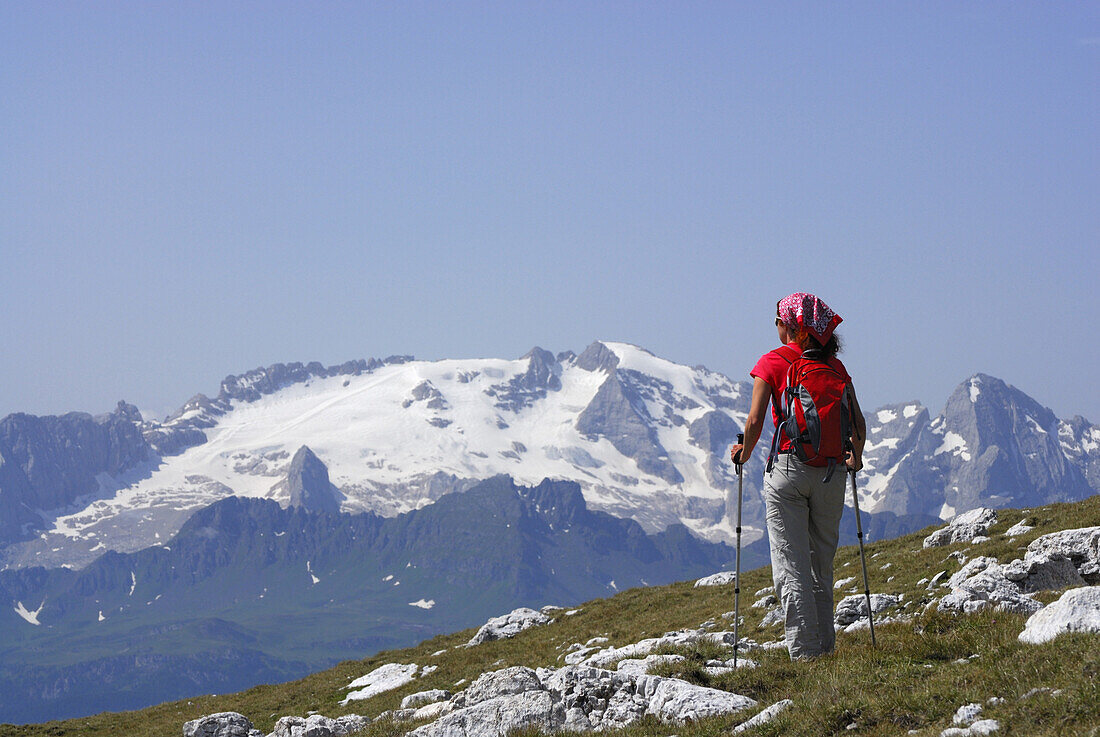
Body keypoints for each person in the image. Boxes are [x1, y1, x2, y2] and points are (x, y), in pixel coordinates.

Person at [730, 292, 866, 660]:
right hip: (832, 474)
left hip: (789, 472)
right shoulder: (835, 367)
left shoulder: (772, 363)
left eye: (777, 320)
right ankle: (826, 650)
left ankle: (805, 657)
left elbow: (756, 420)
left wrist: (744, 453)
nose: (775, 326)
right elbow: (858, 424)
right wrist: (854, 458)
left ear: (789, 326)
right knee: (822, 565)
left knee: (792, 567)